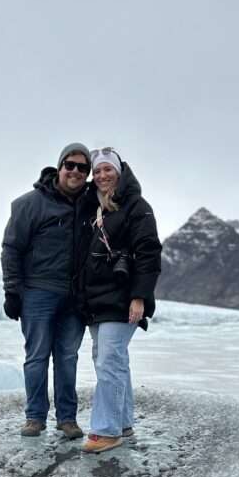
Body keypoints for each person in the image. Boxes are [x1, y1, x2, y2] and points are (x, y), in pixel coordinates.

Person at [1, 143, 91, 438]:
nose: (75, 171)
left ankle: (67, 419)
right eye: (70, 164)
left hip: (75, 297)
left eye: (83, 167)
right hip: (38, 292)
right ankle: (35, 417)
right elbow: (11, 248)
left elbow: (123, 188)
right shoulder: (31, 203)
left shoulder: (91, 204)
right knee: (37, 356)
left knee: (67, 358)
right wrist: (12, 292)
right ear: (60, 166)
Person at [76, 147, 162, 453]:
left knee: (109, 359)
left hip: (124, 299)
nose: (101, 176)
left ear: (119, 172)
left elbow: (149, 253)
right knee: (111, 359)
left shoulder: (137, 206)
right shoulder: (96, 210)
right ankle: (123, 423)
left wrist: (139, 297)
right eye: (97, 171)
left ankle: (106, 430)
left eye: (107, 170)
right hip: (98, 301)